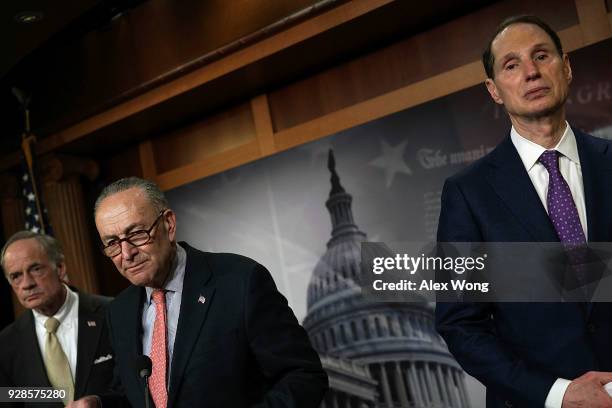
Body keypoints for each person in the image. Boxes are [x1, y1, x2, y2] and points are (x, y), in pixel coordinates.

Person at [435, 15, 612, 408]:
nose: (531, 72)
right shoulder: (467, 193)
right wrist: (558, 394)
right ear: (494, 89)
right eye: (512, 65)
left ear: (565, 67)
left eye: (542, 56)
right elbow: (461, 324)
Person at [72, 177, 328, 408]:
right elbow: (135, 395)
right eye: (113, 243)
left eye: (137, 234)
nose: (127, 254)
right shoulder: (119, 310)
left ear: (168, 224)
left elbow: (303, 376)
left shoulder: (239, 281)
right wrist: (100, 404)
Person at [0, 231, 114, 407]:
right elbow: (13, 401)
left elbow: (134, 387)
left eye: (36, 269)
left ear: (60, 268)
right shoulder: (6, 343)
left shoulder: (111, 313)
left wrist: (100, 403)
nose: (26, 284)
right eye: (16, 276)